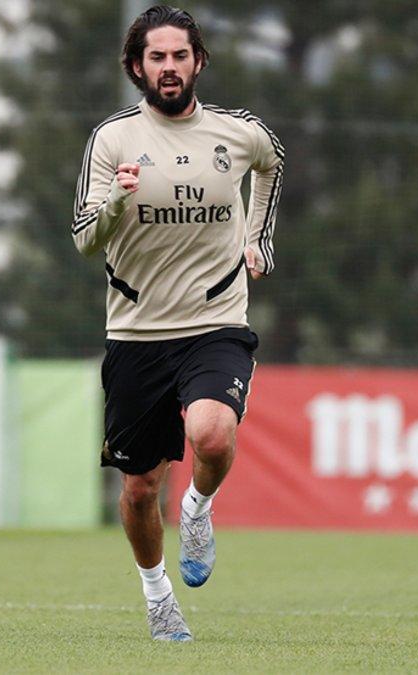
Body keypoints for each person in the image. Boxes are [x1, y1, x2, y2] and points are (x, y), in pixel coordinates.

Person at [70, 4, 284, 642]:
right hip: (137, 333)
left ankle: (198, 508)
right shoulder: (112, 140)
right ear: (137, 66)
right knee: (139, 490)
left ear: (199, 62)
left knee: (212, 437)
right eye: (156, 57)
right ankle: (159, 597)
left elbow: (273, 164)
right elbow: (85, 239)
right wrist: (115, 200)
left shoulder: (237, 132)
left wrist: (258, 238)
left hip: (216, 319)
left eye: (180, 56)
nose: (169, 67)